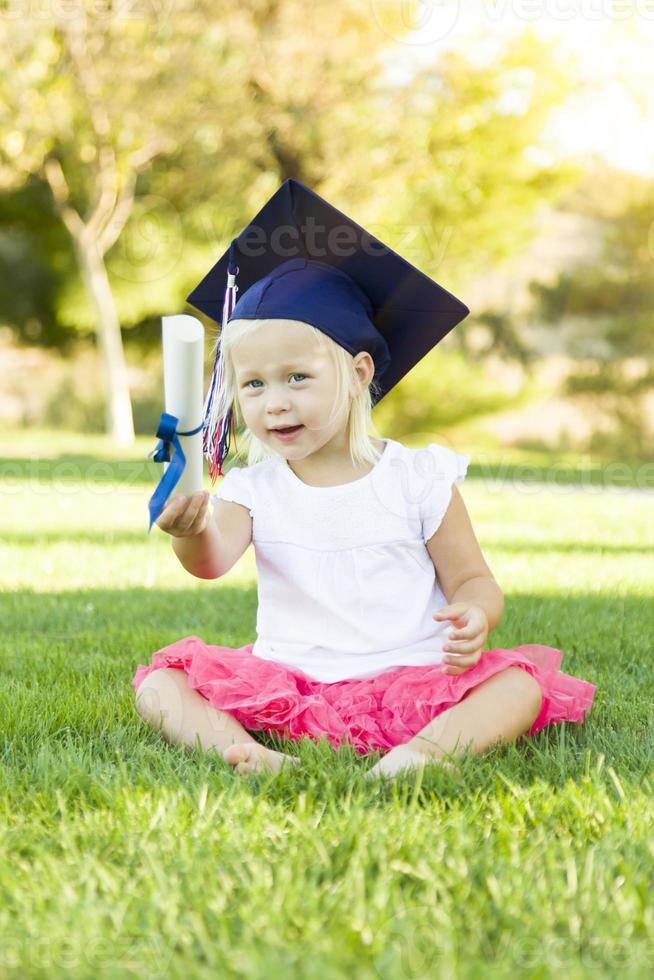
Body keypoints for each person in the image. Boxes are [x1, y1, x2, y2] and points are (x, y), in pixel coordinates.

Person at [133, 179, 596, 780]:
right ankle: (247, 752)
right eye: (254, 384)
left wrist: (477, 616)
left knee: (517, 687)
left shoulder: (418, 478)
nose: (274, 402)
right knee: (161, 684)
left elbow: (473, 579)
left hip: (411, 679)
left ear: (358, 372)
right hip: (291, 682)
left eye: (298, 377)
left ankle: (422, 755)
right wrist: (187, 530)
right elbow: (209, 560)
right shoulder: (255, 487)